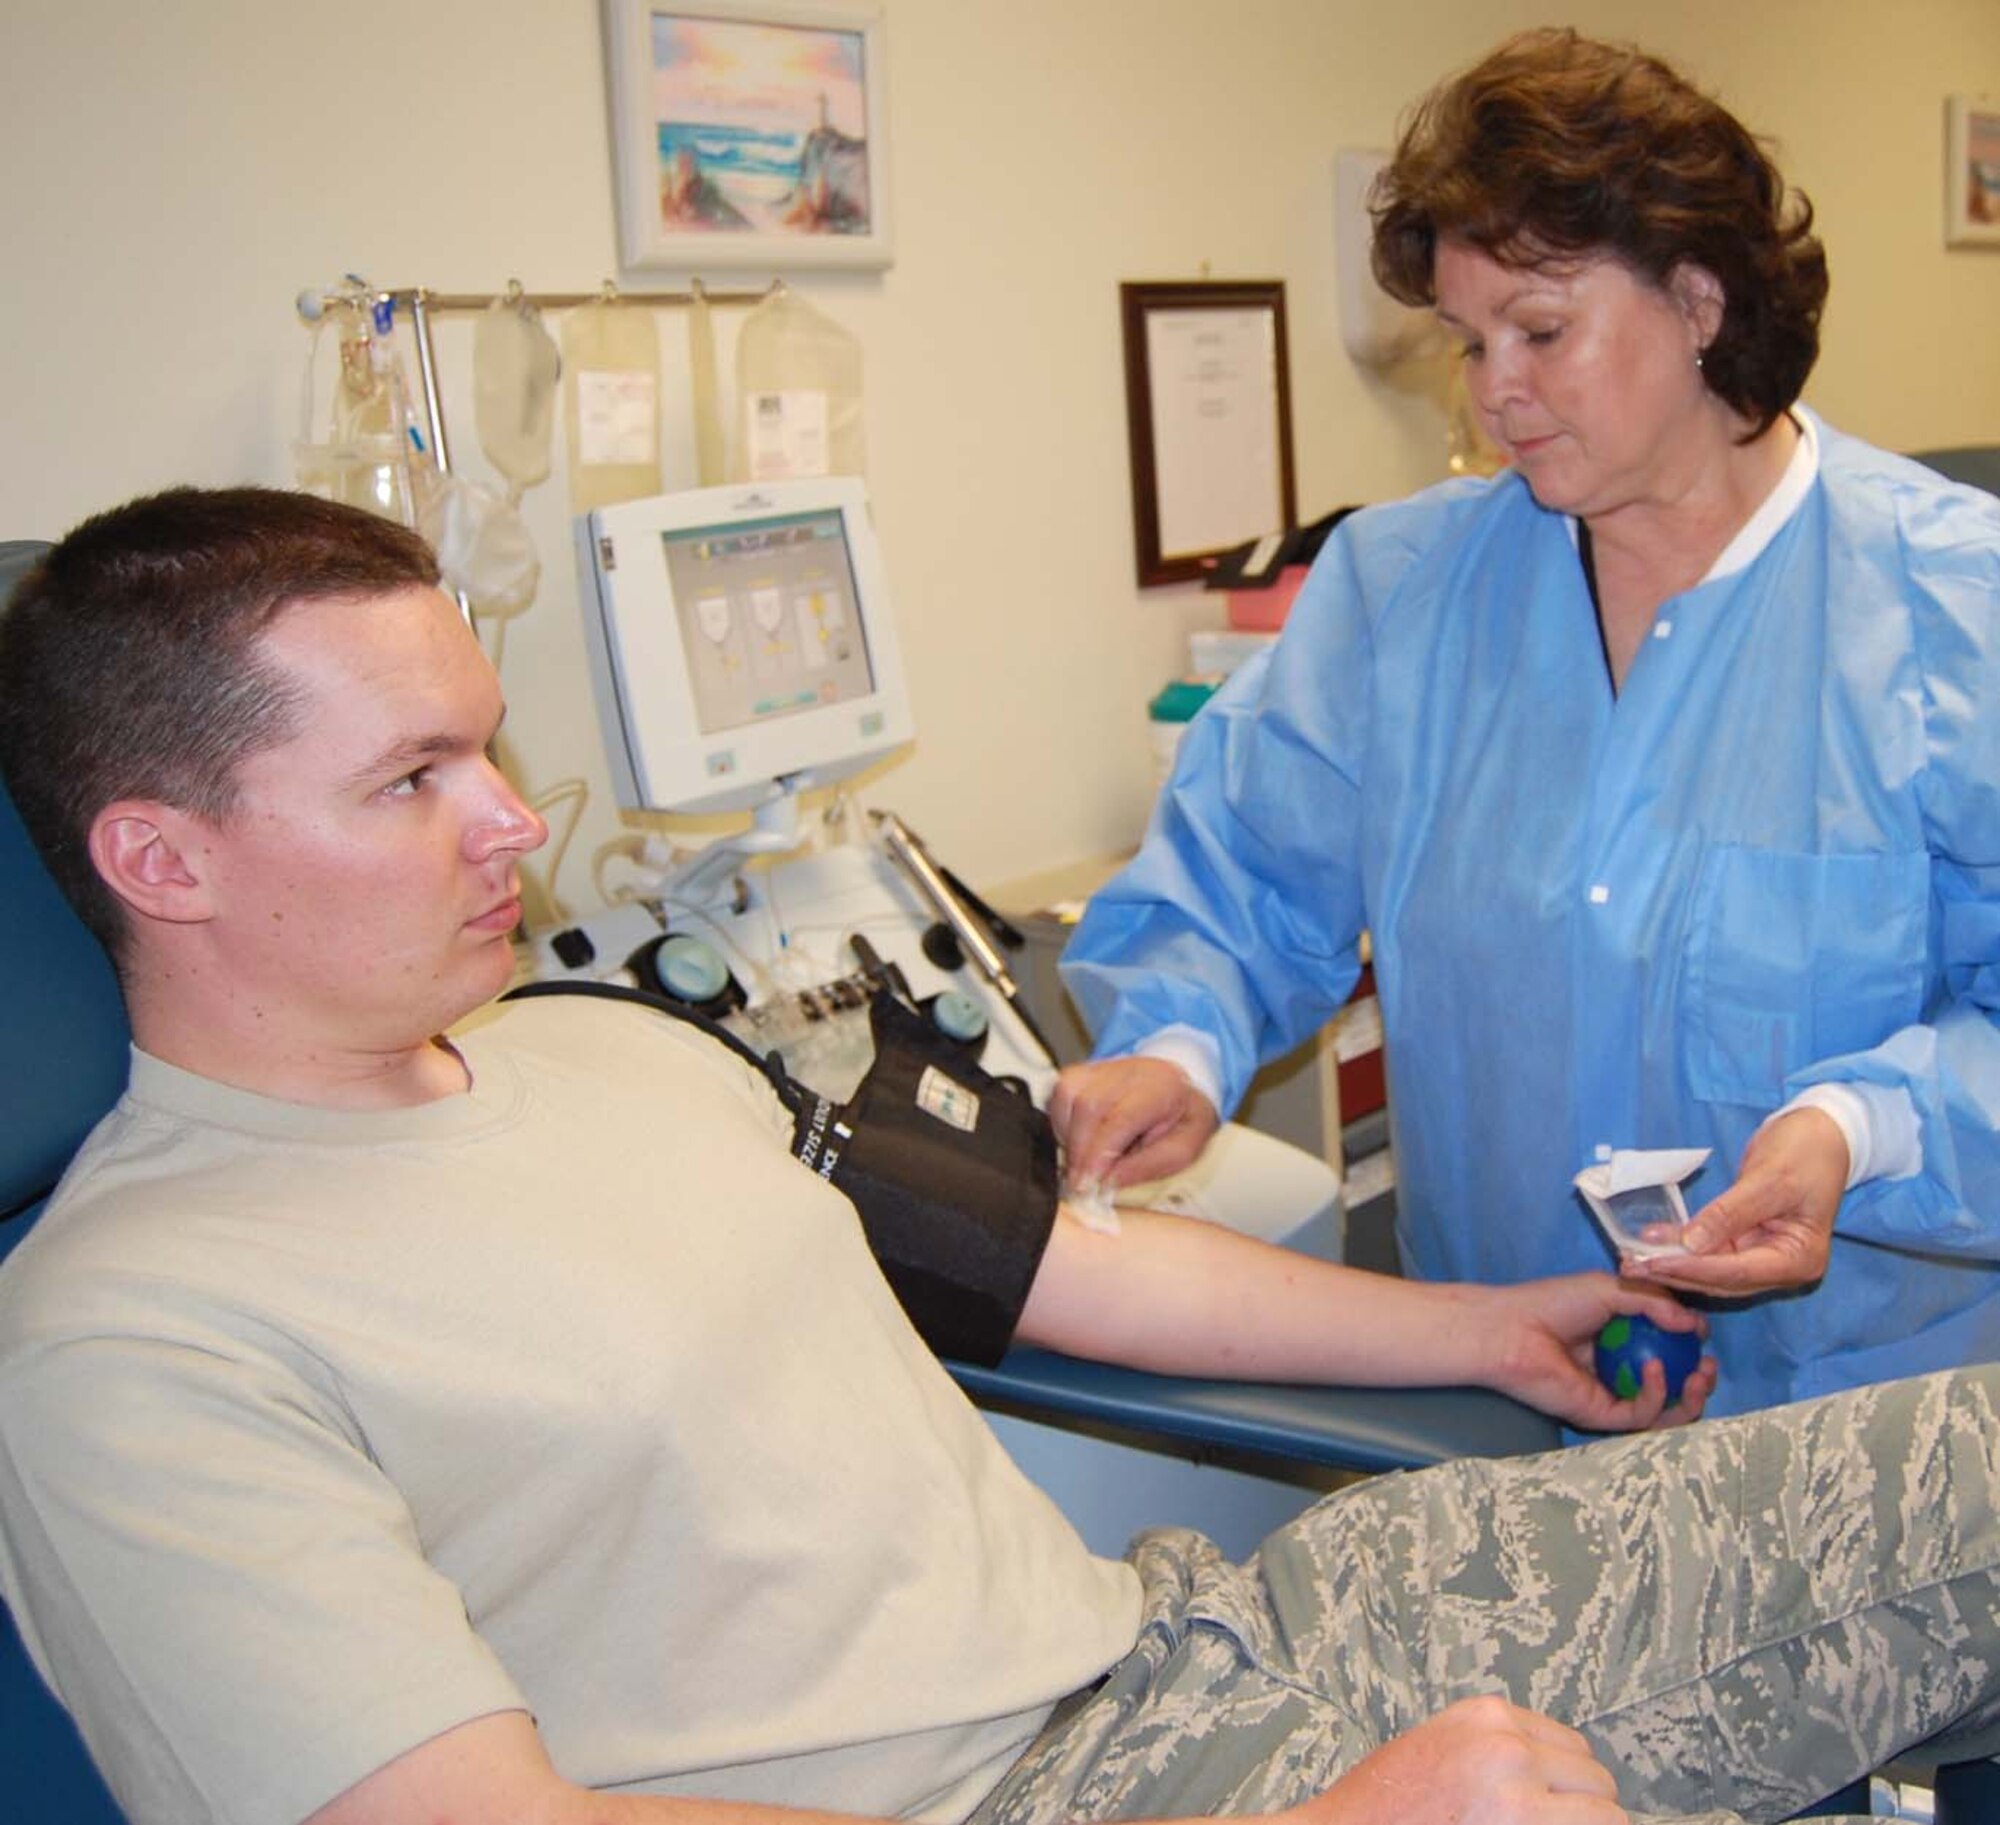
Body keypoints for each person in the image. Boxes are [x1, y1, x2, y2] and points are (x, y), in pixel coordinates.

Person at [0, 501, 1992, 1825]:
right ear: (162, 859)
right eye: (413, 782)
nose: (519, 825)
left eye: (493, 751)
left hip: (1213, 1631)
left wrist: (1492, 1326)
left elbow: (1062, 1269)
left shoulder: (606, 1045)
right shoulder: (139, 1336)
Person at [1053, 27, 2000, 1420]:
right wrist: (1178, 1049)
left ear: (1700, 300)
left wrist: (1854, 1128)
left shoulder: (1950, 609)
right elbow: (1244, 882)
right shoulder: (1402, 595)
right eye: (1469, 339)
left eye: (1541, 331)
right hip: (1510, 1411)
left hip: (1851, 1439)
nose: (1493, 390)